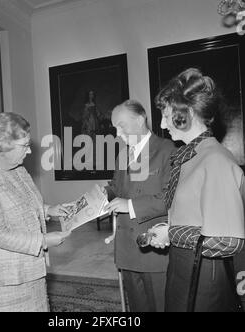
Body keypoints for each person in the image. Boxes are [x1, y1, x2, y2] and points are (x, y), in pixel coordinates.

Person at [151, 68, 245, 312]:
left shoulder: (215, 160)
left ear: (188, 113)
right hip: (184, 267)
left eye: (166, 115)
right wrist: (169, 230)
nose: (162, 123)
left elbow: (227, 240)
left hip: (205, 279)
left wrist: (173, 234)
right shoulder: (192, 155)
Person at [0, 112, 71, 312]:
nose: (30, 151)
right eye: (24, 146)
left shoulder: (18, 170)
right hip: (5, 282)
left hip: (31, 271)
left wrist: (50, 210)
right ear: (3, 146)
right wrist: (43, 240)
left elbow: (23, 204)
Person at [104, 99, 176, 312]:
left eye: (121, 125)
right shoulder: (122, 154)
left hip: (154, 248)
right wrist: (102, 194)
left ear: (140, 119)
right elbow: (117, 187)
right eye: (115, 127)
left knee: (160, 306)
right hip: (127, 249)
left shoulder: (167, 150)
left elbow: (170, 198)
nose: (117, 133)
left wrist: (131, 205)